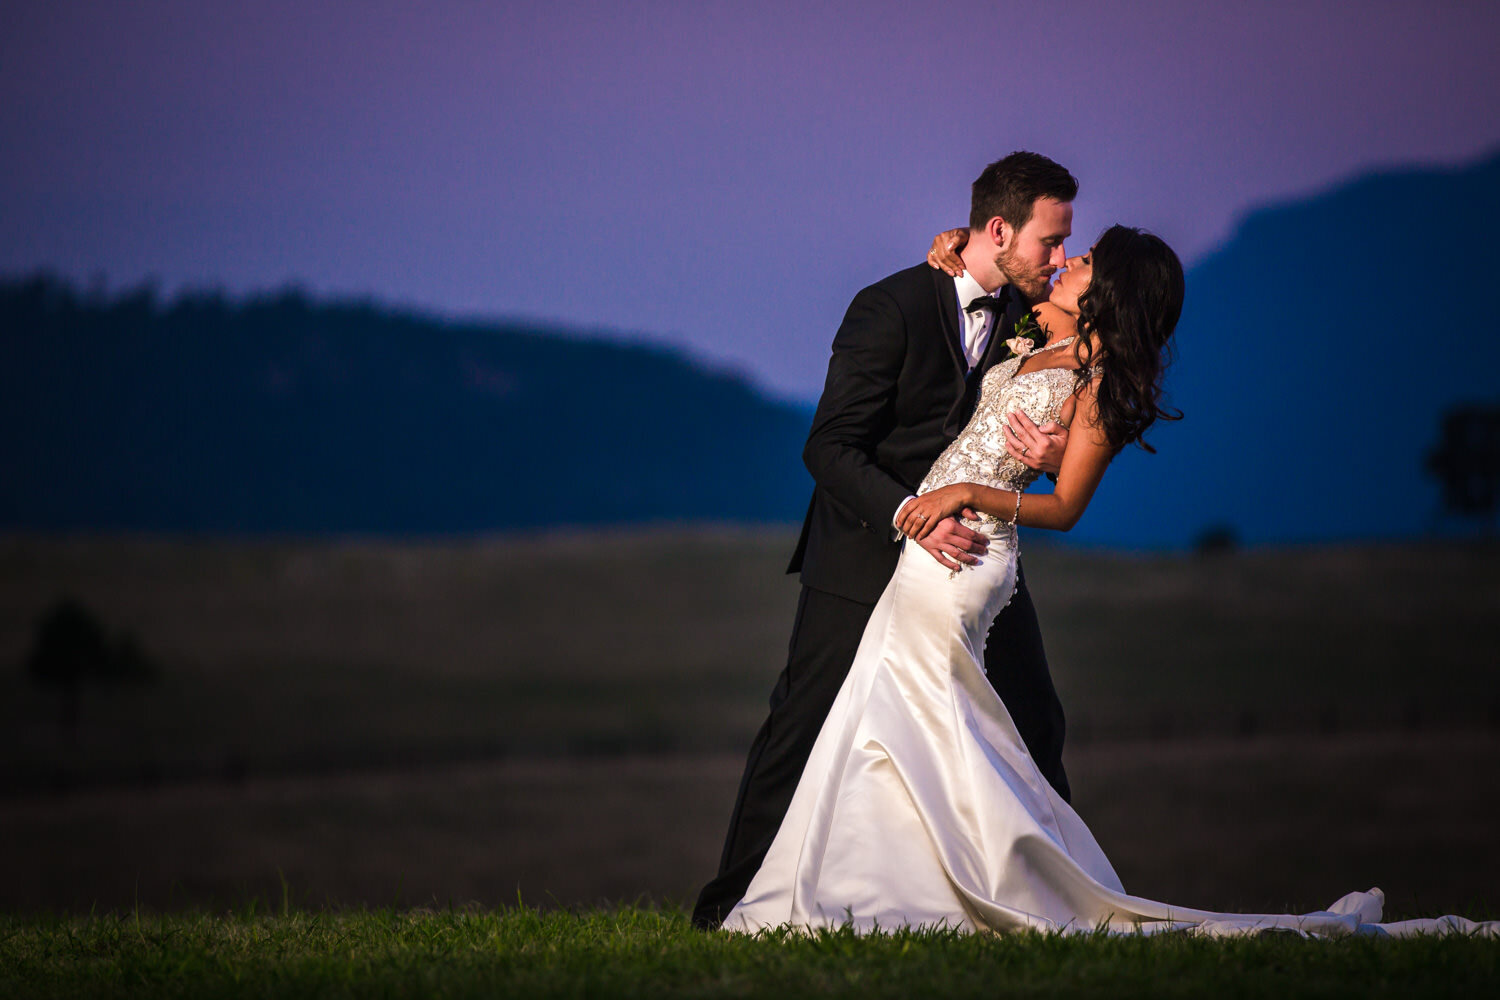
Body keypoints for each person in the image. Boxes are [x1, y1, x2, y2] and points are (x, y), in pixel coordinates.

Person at [720, 225, 1496, 937]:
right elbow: (989, 309)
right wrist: (954, 250)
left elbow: (1063, 508)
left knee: (917, 710)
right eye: (1063, 248)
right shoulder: (1046, 337)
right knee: (909, 713)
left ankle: (923, 886)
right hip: (926, 546)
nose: (1065, 262)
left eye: (1081, 260)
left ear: (1106, 291)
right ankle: (891, 875)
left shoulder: (1098, 378)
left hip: (965, 548)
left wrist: (964, 494)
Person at [692, 152, 1081, 930]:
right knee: (800, 728)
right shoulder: (889, 306)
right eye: (1050, 240)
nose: (1061, 258)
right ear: (998, 229)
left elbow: (1080, 408)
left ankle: (1065, 904)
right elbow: (828, 447)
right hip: (862, 557)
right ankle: (725, 908)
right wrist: (915, 514)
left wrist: (1054, 456)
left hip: (974, 566)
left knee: (1036, 722)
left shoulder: (1033, 317)